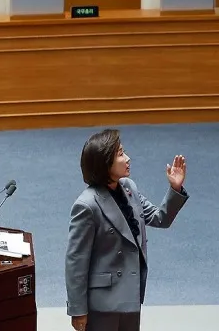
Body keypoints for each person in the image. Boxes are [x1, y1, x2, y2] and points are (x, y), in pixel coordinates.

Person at [65, 129, 189, 331]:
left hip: (130, 295)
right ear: (105, 163)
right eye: (121, 154)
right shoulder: (87, 205)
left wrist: (175, 189)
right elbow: (76, 262)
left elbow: (160, 218)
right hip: (103, 304)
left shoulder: (129, 187)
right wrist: (78, 310)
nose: (128, 158)